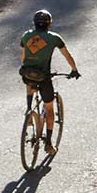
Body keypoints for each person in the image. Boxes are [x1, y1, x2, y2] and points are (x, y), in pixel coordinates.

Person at [19, 9, 80, 155]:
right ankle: (48, 143)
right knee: (49, 109)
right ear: (49, 23)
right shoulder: (54, 38)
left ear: (34, 23)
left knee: (30, 82)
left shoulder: (26, 35)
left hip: (27, 74)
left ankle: (29, 110)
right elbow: (67, 55)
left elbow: (22, 57)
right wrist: (74, 69)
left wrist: (26, 66)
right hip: (44, 77)